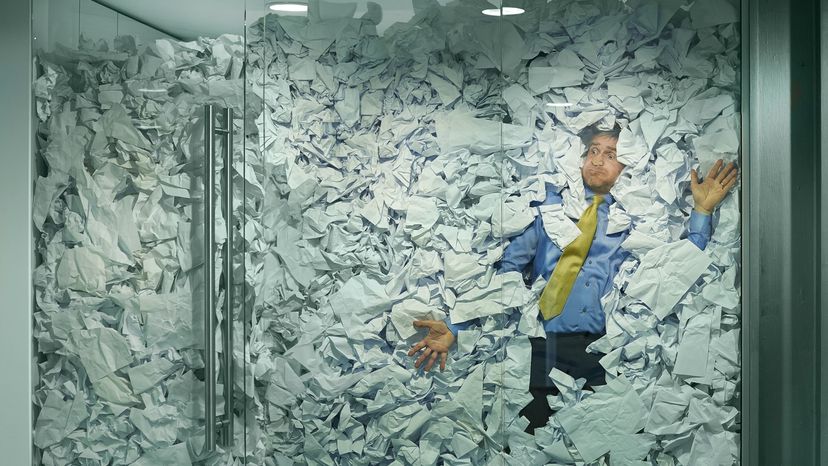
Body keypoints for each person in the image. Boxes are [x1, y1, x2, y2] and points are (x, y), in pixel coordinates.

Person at [407, 124, 738, 432]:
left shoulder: (639, 223)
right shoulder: (547, 211)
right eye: (593, 151)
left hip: (604, 353)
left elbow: (673, 272)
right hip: (538, 349)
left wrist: (703, 211)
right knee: (530, 441)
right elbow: (506, 277)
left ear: (628, 165)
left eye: (611, 154)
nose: (597, 160)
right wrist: (457, 326)